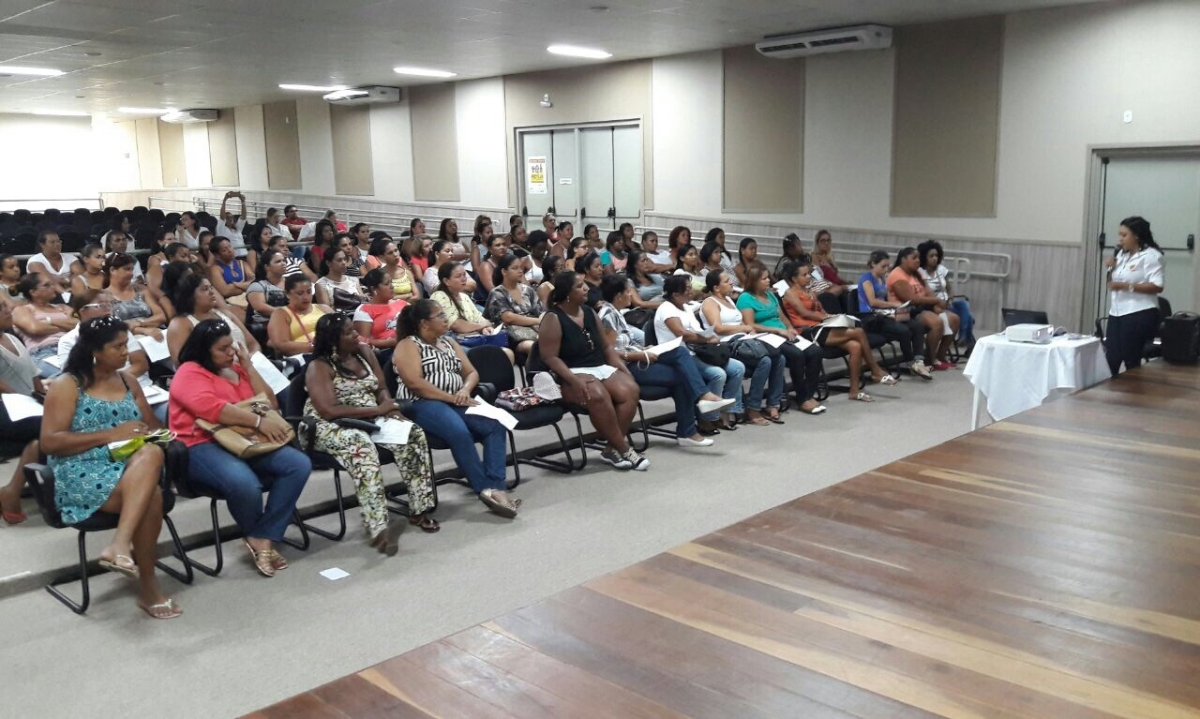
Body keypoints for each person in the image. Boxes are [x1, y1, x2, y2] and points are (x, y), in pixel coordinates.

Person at [41, 316, 180, 618]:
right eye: (117, 347)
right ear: (95, 350)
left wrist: (157, 433)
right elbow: (50, 442)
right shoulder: (68, 385)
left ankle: (120, 546)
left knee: (153, 452)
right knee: (152, 495)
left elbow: (149, 425)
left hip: (129, 464)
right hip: (81, 470)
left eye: (126, 345)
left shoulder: (129, 381)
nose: (125, 353)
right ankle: (146, 582)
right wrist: (110, 434)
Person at [169, 319, 310, 578]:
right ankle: (261, 539)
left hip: (246, 439)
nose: (231, 352)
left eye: (231, 346)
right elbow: (210, 408)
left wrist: (249, 367)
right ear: (203, 349)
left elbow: (270, 403)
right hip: (201, 444)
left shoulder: (237, 367)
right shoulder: (189, 372)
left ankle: (261, 536)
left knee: (298, 464)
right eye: (222, 349)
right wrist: (258, 421)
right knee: (244, 483)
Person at [306, 314, 437, 553]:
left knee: (413, 433)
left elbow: (381, 388)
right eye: (348, 332)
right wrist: (378, 409)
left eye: (354, 330)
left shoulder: (364, 352)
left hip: (371, 417)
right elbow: (328, 410)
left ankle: (420, 509)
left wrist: (391, 409)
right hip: (330, 424)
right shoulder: (320, 366)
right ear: (333, 340)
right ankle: (377, 526)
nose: (356, 335)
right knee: (361, 447)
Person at [393, 300, 520, 516]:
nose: (446, 319)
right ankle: (485, 489)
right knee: (458, 431)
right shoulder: (408, 344)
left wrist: (465, 390)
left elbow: (471, 373)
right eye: (440, 316)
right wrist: (451, 398)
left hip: (456, 400)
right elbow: (415, 383)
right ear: (424, 323)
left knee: (495, 425)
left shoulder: (450, 342)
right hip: (422, 403)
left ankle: (497, 485)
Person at [597, 274, 733, 447]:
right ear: (618, 296)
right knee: (681, 358)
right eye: (628, 292)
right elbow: (609, 353)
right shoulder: (608, 315)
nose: (631, 295)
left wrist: (643, 349)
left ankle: (689, 428)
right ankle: (700, 405)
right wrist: (638, 355)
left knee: (681, 368)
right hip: (625, 369)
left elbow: (625, 344)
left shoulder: (616, 312)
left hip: (639, 358)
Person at [537, 272, 646, 470]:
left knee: (630, 389)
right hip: (569, 372)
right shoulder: (553, 318)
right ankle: (625, 449)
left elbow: (606, 348)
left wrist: (624, 371)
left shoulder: (589, 312)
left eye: (584, 285)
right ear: (567, 293)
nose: (586, 288)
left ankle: (611, 449)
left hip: (598, 367)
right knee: (597, 395)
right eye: (579, 286)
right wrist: (573, 379)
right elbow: (550, 357)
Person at [780, 258, 896, 402]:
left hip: (822, 326)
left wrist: (832, 317)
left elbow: (820, 310)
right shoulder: (790, 293)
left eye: (809, 274)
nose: (809, 277)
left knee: (855, 346)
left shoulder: (810, 292)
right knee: (858, 332)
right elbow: (804, 313)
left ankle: (854, 390)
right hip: (807, 331)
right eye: (804, 275)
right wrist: (826, 317)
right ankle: (875, 369)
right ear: (794, 278)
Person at [655, 275, 745, 433]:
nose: (691, 292)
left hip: (697, 351)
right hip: (678, 355)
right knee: (718, 374)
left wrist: (708, 336)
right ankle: (707, 419)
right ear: (675, 294)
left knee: (738, 367)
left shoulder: (686, 307)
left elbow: (697, 326)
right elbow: (682, 334)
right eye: (688, 289)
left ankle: (726, 412)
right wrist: (705, 338)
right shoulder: (666, 308)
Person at [737, 264, 828, 414]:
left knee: (815, 351)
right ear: (754, 281)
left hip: (783, 333)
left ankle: (809, 394)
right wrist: (777, 330)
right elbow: (750, 325)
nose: (768, 281)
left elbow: (782, 316)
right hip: (766, 336)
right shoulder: (745, 298)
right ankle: (802, 398)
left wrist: (789, 327)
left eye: (768, 277)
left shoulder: (770, 295)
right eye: (764, 279)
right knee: (797, 355)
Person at [701, 269, 786, 425]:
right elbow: (718, 328)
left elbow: (739, 323)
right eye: (726, 281)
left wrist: (748, 330)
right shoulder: (710, 303)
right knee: (765, 361)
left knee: (779, 358)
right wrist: (744, 328)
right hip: (727, 344)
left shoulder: (730, 300)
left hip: (746, 340)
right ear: (716, 288)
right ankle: (753, 408)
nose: (731, 283)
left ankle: (773, 403)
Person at [0, 295, 47, 525]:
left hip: (26, 404)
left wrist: (42, 397)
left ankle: (12, 490)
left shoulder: (12, 338)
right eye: (1, 308)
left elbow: (34, 374)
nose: (9, 310)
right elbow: (4, 389)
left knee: (52, 429)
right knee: (51, 427)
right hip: (6, 406)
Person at [1104, 215, 1165, 377]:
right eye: (1119, 235)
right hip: (1117, 313)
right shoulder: (1121, 255)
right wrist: (1110, 269)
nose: (1120, 239)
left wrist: (1126, 286)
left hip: (1139, 313)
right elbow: (1112, 284)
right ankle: (1110, 394)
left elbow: (1158, 286)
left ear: (1136, 235)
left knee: (1131, 359)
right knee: (1112, 357)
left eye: (1124, 235)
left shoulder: (1151, 256)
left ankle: (1133, 396)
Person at [857, 250, 932, 380]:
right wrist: (894, 305)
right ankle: (910, 362)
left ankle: (919, 360)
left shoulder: (882, 279)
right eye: (883, 266)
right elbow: (873, 301)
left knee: (916, 325)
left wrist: (898, 307)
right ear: (873, 264)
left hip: (885, 314)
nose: (886, 269)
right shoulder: (866, 279)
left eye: (888, 266)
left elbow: (886, 300)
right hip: (871, 317)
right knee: (903, 330)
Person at [887, 247, 958, 371]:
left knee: (954, 319)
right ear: (903, 259)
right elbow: (911, 299)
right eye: (914, 258)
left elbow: (928, 292)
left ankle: (941, 356)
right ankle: (930, 359)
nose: (918, 260)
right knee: (936, 322)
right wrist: (936, 301)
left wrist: (936, 305)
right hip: (903, 312)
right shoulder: (897, 275)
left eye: (918, 257)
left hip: (921, 308)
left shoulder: (917, 272)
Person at [167, 274, 259, 364]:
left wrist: (251, 357)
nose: (211, 292)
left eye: (211, 288)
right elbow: (181, 364)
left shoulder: (225, 314)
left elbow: (253, 344)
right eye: (205, 289)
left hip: (250, 365)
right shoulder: (180, 323)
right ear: (190, 295)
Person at [430, 263, 509, 352]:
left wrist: (486, 328)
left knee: (507, 350)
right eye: (458, 276)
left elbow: (480, 319)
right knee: (501, 353)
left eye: (464, 275)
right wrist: (481, 326)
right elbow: (456, 325)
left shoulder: (464, 297)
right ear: (446, 281)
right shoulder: (439, 296)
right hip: (454, 343)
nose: (464, 279)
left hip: (474, 338)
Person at [12, 273, 76, 377]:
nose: (53, 287)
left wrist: (48, 321)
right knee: (68, 377)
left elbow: (79, 324)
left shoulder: (63, 307)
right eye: (47, 285)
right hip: (44, 352)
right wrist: (66, 326)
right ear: (33, 292)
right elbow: (35, 329)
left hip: (73, 347)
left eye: (52, 284)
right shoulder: (22, 310)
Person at [918, 240, 975, 353]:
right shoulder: (920, 272)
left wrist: (950, 298)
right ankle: (968, 341)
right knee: (969, 318)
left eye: (936, 255)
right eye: (931, 256)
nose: (934, 258)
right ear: (924, 257)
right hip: (933, 306)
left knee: (963, 304)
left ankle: (963, 337)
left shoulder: (941, 269)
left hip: (947, 303)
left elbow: (948, 287)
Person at [484, 253, 543, 358]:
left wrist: (543, 319)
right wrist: (537, 321)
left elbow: (540, 311)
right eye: (515, 268)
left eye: (520, 267)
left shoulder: (528, 290)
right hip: (513, 337)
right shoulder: (497, 293)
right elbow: (508, 318)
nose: (520, 271)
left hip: (536, 331)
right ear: (504, 271)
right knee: (535, 347)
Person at [105, 253, 167, 343]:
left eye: (132, 269)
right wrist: (144, 331)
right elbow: (112, 327)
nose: (131, 274)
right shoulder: (103, 296)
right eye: (127, 269)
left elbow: (161, 316)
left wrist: (139, 323)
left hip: (154, 334)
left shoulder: (142, 290)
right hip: (124, 340)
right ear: (112, 270)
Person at [267, 274, 331, 357]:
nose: (305, 297)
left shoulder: (324, 308)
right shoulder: (281, 314)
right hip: (306, 357)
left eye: (309, 292)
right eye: (300, 293)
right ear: (287, 294)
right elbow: (281, 344)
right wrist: (314, 347)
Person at [354, 268, 406, 359]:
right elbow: (363, 343)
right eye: (386, 284)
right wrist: (392, 342)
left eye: (391, 282)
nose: (392, 286)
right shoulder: (365, 310)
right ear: (374, 289)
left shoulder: (401, 303)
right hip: (386, 353)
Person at [245, 248, 289, 334]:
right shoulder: (257, 285)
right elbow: (261, 307)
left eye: (284, 260)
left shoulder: (291, 282)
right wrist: (288, 314)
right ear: (267, 267)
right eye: (278, 261)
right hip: (265, 325)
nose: (283, 263)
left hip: (289, 320)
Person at [27, 231, 80, 295]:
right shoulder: (35, 261)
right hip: (46, 296)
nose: (57, 244)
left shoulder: (71, 258)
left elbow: (81, 276)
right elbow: (49, 282)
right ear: (42, 245)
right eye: (52, 242)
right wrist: (66, 294)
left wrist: (65, 280)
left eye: (58, 241)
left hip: (72, 293)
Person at [368, 237, 420, 302]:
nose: (395, 255)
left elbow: (417, 296)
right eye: (390, 253)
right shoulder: (379, 274)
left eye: (396, 250)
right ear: (382, 256)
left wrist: (396, 298)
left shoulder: (407, 273)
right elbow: (381, 298)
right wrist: (407, 295)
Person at [210, 236, 253, 301]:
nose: (230, 251)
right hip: (229, 302)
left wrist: (237, 285)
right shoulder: (215, 269)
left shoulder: (242, 263)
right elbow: (225, 292)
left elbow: (254, 282)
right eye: (224, 250)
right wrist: (246, 286)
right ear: (217, 255)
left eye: (230, 246)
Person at [475, 232, 510, 298]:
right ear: (490, 249)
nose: (502, 247)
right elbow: (493, 291)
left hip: (507, 299)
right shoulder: (486, 266)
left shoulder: (509, 262)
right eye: (498, 245)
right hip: (487, 303)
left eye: (504, 244)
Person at [216, 191, 248, 258]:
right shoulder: (221, 229)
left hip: (245, 254)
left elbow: (243, 217)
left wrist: (243, 202)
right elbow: (222, 216)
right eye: (228, 217)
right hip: (233, 256)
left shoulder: (237, 228)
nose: (230, 219)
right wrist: (225, 200)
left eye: (231, 217)